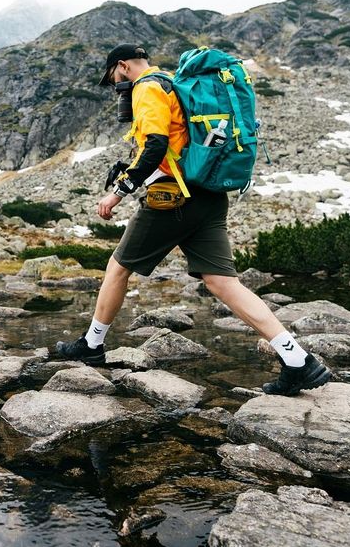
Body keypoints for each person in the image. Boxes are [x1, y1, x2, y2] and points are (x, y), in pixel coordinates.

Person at [54, 44, 331, 396]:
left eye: (112, 77)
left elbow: (155, 145)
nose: (113, 85)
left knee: (117, 267)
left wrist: (118, 192)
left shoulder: (147, 88)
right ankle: (299, 362)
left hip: (174, 199)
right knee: (223, 283)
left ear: (122, 66)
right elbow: (176, 142)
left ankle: (91, 345)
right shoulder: (173, 83)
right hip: (209, 195)